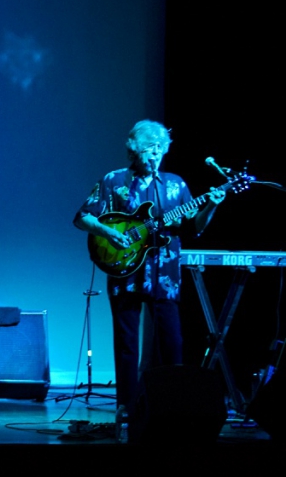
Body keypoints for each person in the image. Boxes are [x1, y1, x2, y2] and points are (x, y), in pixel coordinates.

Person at [73, 120, 224, 417]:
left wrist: (211, 205)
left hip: (164, 273)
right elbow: (82, 217)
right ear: (135, 150)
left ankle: (174, 404)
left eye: (160, 149)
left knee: (172, 341)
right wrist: (108, 233)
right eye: (148, 149)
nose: (155, 155)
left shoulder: (175, 184)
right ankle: (127, 406)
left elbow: (193, 228)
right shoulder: (114, 180)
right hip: (124, 270)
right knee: (127, 342)